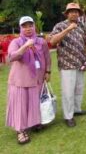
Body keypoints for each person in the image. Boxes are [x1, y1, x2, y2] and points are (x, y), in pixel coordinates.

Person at [6, 16, 51, 144]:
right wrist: (25, 46)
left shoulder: (41, 42)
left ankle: (35, 123)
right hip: (20, 81)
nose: (28, 29)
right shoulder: (16, 42)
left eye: (30, 25)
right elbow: (11, 57)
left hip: (37, 79)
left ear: (34, 26)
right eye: (24, 26)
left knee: (34, 103)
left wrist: (48, 71)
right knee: (20, 105)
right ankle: (20, 131)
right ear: (21, 28)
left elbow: (47, 57)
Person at [49, 3, 86, 127]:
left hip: (80, 63)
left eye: (76, 11)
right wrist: (68, 29)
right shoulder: (60, 26)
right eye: (71, 11)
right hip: (67, 64)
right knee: (68, 91)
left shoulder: (81, 26)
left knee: (79, 89)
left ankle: (76, 109)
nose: (74, 13)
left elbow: (84, 43)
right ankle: (68, 116)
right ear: (67, 14)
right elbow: (52, 41)